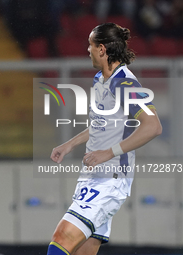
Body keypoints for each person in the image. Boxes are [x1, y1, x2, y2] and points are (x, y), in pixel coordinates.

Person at [47, 23, 162, 255]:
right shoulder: (101, 78)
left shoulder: (124, 82)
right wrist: (69, 144)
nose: (86, 50)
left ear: (101, 49)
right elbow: (102, 124)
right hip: (93, 177)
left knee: (61, 240)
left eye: (90, 45)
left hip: (110, 180)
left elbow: (153, 126)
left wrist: (109, 152)